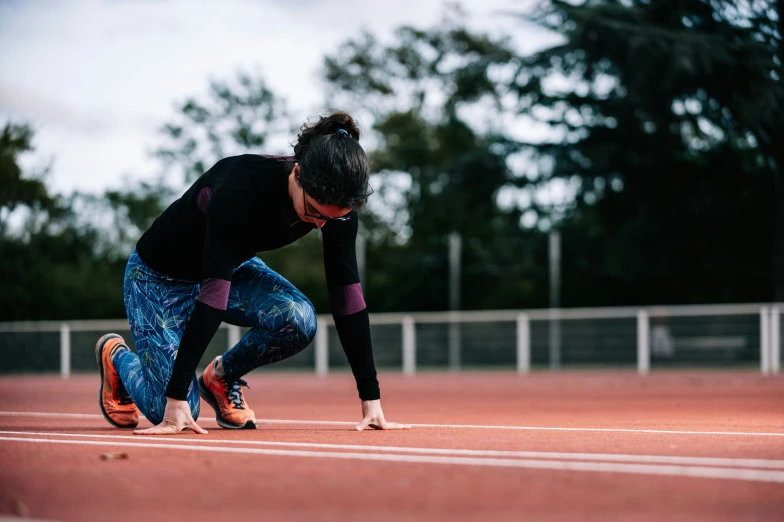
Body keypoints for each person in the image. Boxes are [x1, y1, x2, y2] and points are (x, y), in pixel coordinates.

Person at [95, 111, 410, 435]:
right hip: (157, 280)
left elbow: (347, 301)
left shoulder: (336, 208)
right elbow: (213, 295)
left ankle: (221, 377)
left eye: (332, 219)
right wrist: (175, 397)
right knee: (174, 410)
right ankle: (117, 357)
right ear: (298, 173)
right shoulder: (238, 191)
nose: (320, 225)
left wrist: (371, 400)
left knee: (298, 319)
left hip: (229, 268)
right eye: (314, 212)